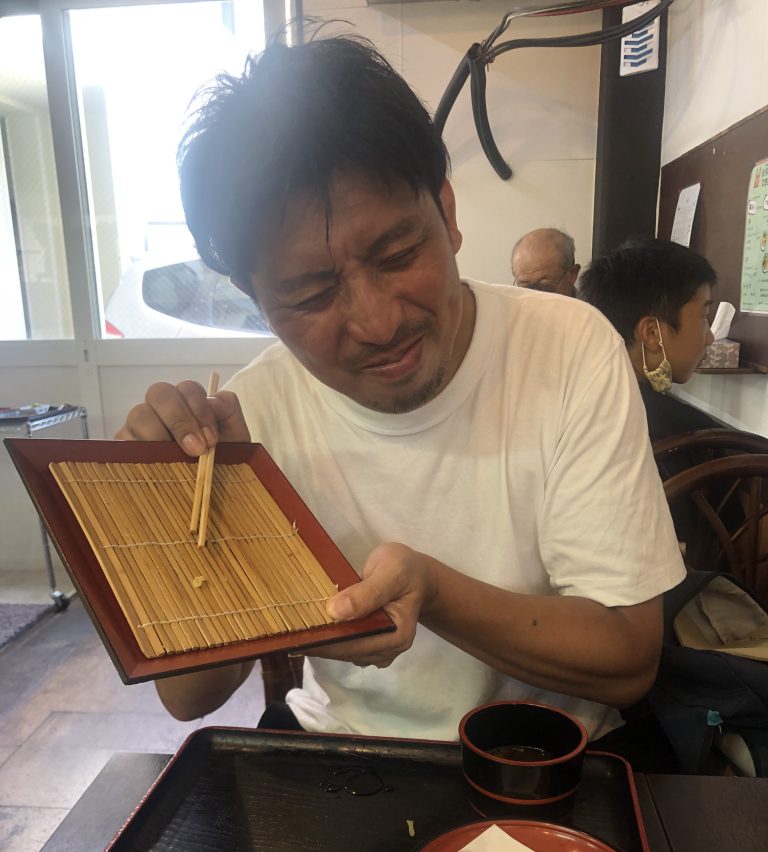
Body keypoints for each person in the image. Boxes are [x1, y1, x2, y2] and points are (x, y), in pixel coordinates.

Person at [117, 36, 684, 747]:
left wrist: (436, 594)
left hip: (545, 757)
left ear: (447, 212)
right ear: (252, 296)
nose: (378, 322)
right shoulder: (248, 412)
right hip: (340, 753)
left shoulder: (568, 347)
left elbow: (628, 659)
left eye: (398, 254)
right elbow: (187, 697)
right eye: (311, 293)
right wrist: (189, 511)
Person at [577, 237, 720, 448]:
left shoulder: (578, 401)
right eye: (704, 316)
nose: (710, 338)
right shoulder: (690, 434)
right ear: (652, 333)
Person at [510, 228, 581, 296]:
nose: (534, 296)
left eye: (545, 287)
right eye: (525, 287)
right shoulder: (509, 302)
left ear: (572, 274)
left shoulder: (585, 305)